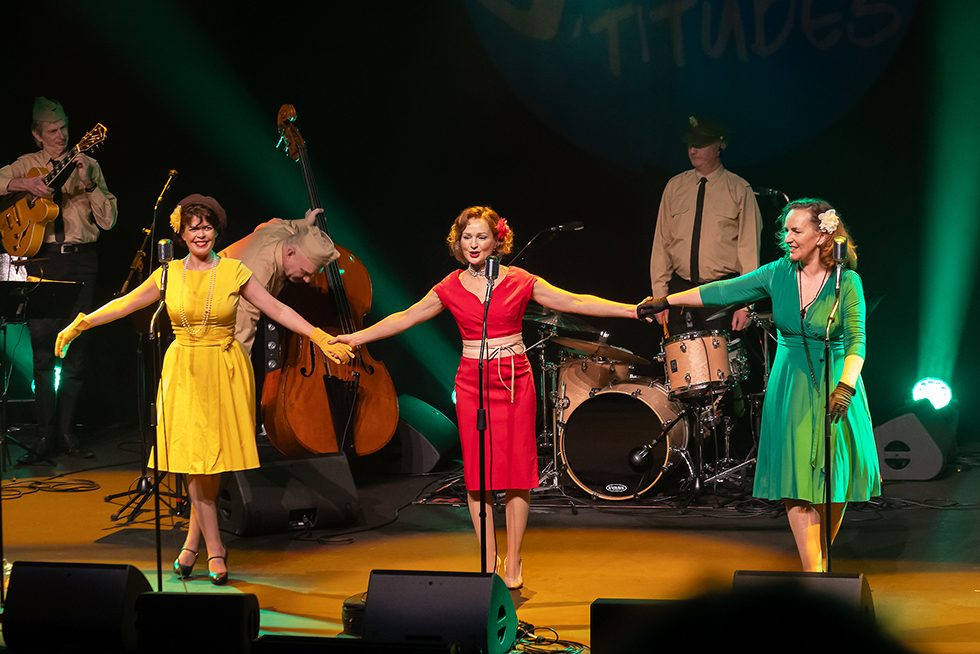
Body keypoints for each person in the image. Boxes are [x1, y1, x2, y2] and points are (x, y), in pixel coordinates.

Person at [331, 206, 649, 590]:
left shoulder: (519, 280)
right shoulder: (449, 286)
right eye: (467, 238)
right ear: (458, 242)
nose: (473, 244)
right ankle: (487, 559)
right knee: (478, 477)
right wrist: (356, 338)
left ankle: (512, 558)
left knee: (516, 474)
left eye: (481, 236)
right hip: (472, 383)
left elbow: (575, 302)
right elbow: (405, 317)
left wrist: (632, 311)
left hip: (513, 379)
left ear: (497, 240)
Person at [54, 194, 353, 584]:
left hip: (225, 370)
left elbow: (276, 310)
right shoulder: (167, 274)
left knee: (212, 463)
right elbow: (124, 304)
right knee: (195, 462)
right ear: (181, 233)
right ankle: (213, 549)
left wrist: (318, 336)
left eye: (207, 227)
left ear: (216, 231)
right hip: (183, 371)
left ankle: (193, 545)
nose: (201, 233)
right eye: (193, 227)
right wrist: (82, 323)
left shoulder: (234, 271)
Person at [640, 199, 880, 572]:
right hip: (791, 384)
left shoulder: (846, 282)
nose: (787, 238)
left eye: (796, 231)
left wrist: (846, 386)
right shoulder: (778, 273)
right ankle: (813, 573)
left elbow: (857, 341)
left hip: (836, 382)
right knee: (796, 480)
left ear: (821, 235)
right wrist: (666, 301)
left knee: (833, 480)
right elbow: (723, 291)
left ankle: (820, 563)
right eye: (785, 230)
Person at [0, 97, 118, 465]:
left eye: (65, 127)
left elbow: (109, 221)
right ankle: (44, 435)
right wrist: (26, 184)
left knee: (76, 352)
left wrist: (89, 183)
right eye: (52, 130)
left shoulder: (91, 163)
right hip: (41, 263)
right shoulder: (28, 164)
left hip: (82, 264)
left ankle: (67, 433)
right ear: (37, 135)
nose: (61, 135)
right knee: (41, 355)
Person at [649, 116, 762, 336]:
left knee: (721, 365)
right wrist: (659, 295)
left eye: (701, 145)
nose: (693, 150)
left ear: (721, 145)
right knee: (684, 364)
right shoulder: (675, 187)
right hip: (680, 292)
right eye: (691, 144)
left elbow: (749, 251)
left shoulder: (739, 189)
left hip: (721, 293)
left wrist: (747, 304)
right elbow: (661, 244)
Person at [219, 208, 339, 354]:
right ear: (290, 253)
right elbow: (240, 336)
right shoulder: (259, 275)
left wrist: (307, 223)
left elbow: (290, 225)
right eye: (304, 272)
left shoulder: (283, 231)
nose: (307, 280)